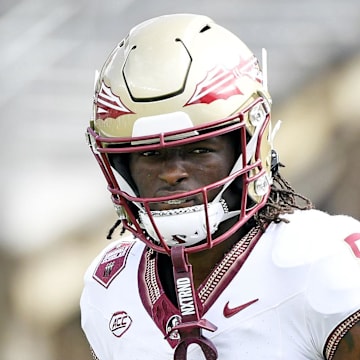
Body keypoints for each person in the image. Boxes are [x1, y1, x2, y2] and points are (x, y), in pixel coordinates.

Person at [80, 13, 360, 360]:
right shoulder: (109, 286)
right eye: (151, 154)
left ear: (247, 145)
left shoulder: (322, 261)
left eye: (199, 149)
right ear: (119, 164)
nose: (172, 174)